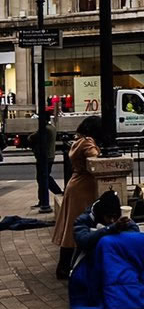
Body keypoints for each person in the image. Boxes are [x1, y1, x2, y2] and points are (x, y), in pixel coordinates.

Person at [69, 190, 144, 309]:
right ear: (100, 214)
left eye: (114, 217)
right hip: (91, 264)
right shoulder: (84, 220)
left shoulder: (122, 219)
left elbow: (135, 236)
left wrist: (121, 228)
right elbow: (84, 241)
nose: (111, 220)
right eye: (108, 217)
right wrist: (110, 229)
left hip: (119, 265)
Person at [52, 115, 103, 280]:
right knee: (82, 225)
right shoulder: (88, 142)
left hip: (76, 185)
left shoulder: (77, 141)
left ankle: (64, 266)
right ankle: (70, 266)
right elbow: (94, 158)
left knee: (70, 226)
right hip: (84, 187)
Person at [28, 114, 62, 203]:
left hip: (44, 157)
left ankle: (51, 195)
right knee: (44, 177)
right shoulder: (52, 128)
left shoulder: (44, 129)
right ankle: (44, 199)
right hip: (50, 156)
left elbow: (31, 137)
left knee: (42, 178)